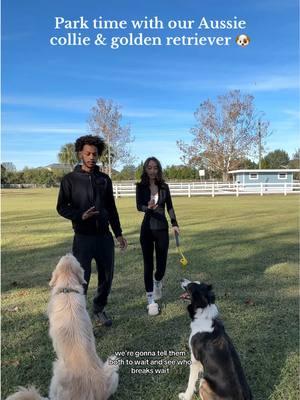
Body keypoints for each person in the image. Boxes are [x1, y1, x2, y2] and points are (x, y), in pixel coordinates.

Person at [57, 135, 127, 327]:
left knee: (107, 276)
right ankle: (79, 316)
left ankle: (99, 309)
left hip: (104, 237)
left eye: (94, 154)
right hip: (83, 238)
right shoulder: (69, 180)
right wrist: (80, 215)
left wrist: (118, 233)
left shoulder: (104, 179)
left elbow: (111, 208)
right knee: (81, 279)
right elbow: (61, 207)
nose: (91, 157)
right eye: (87, 153)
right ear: (80, 153)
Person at [136, 157, 179, 316]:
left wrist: (174, 223)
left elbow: (170, 207)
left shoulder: (164, 187)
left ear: (158, 169)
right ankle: (150, 300)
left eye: (155, 167)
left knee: (161, 266)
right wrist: (147, 207)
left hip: (161, 229)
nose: (152, 170)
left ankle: (158, 281)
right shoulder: (140, 186)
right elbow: (138, 206)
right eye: (149, 167)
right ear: (145, 169)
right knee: (148, 265)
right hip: (146, 229)